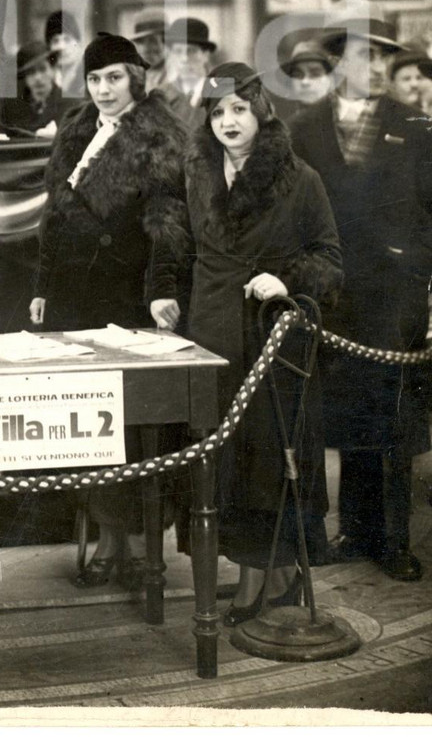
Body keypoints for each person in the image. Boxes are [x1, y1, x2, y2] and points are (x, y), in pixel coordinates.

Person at [150, 62, 342, 624]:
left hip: (270, 340)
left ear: (260, 110)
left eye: (238, 109)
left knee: (265, 461)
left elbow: (330, 260)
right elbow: (173, 247)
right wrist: (162, 293)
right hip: (210, 336)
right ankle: (263, 573)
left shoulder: (300, 178)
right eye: (216, 112)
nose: (228, 121)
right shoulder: (193, 175)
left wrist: (288, 280)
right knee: (223, 464)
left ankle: (266, 577)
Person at [31, 33, 189, 586]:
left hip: (131, 297)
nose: (103, 89)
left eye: (114, 78)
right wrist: (43, 287)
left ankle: (147, 546)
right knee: (92, 426)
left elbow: (170, 224)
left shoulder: (160, 135)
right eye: (95, 79)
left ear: (136, 80)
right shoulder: (77, 130)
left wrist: (163, 290)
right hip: (78, 300)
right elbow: (55, 217)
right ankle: (107, 536)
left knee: (140, 428)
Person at [289, 19, 432, 582]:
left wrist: (417, 262)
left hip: (395, 294)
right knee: (347, 416)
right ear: (336, 63)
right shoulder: (304, 128)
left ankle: (393, 539)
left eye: (380, 57)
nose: (371, 67)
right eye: (361, 56)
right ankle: (354, 529)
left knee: (393, 417)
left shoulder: (415, 126)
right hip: (335, 296)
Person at [0, 39, 77, 135]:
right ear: (24, 77)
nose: (37, 78)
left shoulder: (71, 106)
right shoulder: (13, 109)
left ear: (53, 69)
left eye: (42, 69)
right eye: (31, 72)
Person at [162, 16, 217, 130]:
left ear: (205, 55)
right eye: (178, 51)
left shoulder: (221, 93)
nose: (184, 58)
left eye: (191, 50)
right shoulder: (160, 96)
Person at [270, 33, 334, 123]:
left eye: (315, 74)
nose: (305, 82)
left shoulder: (345, 126)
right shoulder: (288, 127)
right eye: (298, 75)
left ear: (331, 80)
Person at [44, 10, 84, 98]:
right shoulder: (47, 79)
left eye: (67, 40)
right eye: (55, 41)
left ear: (79, 43)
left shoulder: (89, 76)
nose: (61, 47)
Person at [132, 10, 168, 92]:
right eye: (140, 41)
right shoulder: (134, 73)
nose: (146, 48)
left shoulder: (175, 73)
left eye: (153, 41)